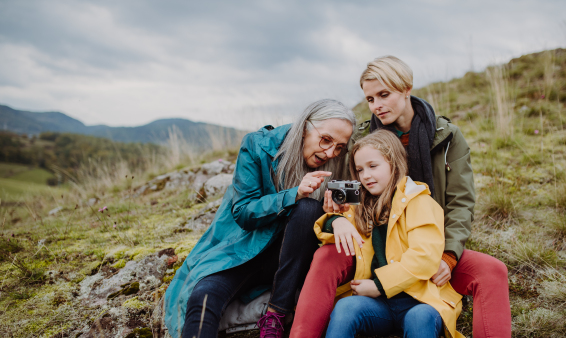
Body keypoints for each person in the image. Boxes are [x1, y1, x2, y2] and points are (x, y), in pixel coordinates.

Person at [291, 56, 511, 338]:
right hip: (374, 236)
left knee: (491, 271)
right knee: (326, 256)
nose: (376, 105)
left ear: (406, 89)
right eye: (370, 99)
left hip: (429, 240)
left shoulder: (446, 138)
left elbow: (460, 203)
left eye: (384, 94)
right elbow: (345, 190)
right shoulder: (361, 138)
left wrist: (448, 256)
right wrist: (335, 216)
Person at [163, 99, 355, 338]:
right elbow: (243, 211)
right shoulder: (257, 146)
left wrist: (336, 214)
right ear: (305, 126)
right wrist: (293, 194)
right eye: (325, 140)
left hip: (292, 258)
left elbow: (342, 220)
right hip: (242, 250)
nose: (330, 153)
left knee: (307, 209)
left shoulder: (340, 164)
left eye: (339, 147)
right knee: (203, 297)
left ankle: (275, 316)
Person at [318, 130, 463, 337]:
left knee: (419, 318)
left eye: (373, 166)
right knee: (346, 307)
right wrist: (336, 220)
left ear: (394, 163)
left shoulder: (420, 201)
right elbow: (324, 232)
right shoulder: (361, 204)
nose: (365, 175)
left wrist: (379, 286)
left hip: (420, 299)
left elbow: (424, 257)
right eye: (359, 170)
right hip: (379, 305)